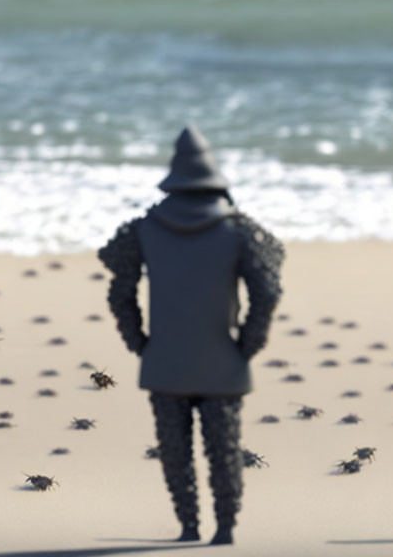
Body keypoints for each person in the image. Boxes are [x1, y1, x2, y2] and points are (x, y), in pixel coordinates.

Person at [97, 125, 284, 545]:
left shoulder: (143, 228)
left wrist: (139, 342)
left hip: (164, 360)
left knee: (175, 451)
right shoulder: (240, 230)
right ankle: (225, 528)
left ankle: (188, 526)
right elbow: (268, 290)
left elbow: (118, 292)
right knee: (225, 448)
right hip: (223, 362)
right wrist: (247, 346)